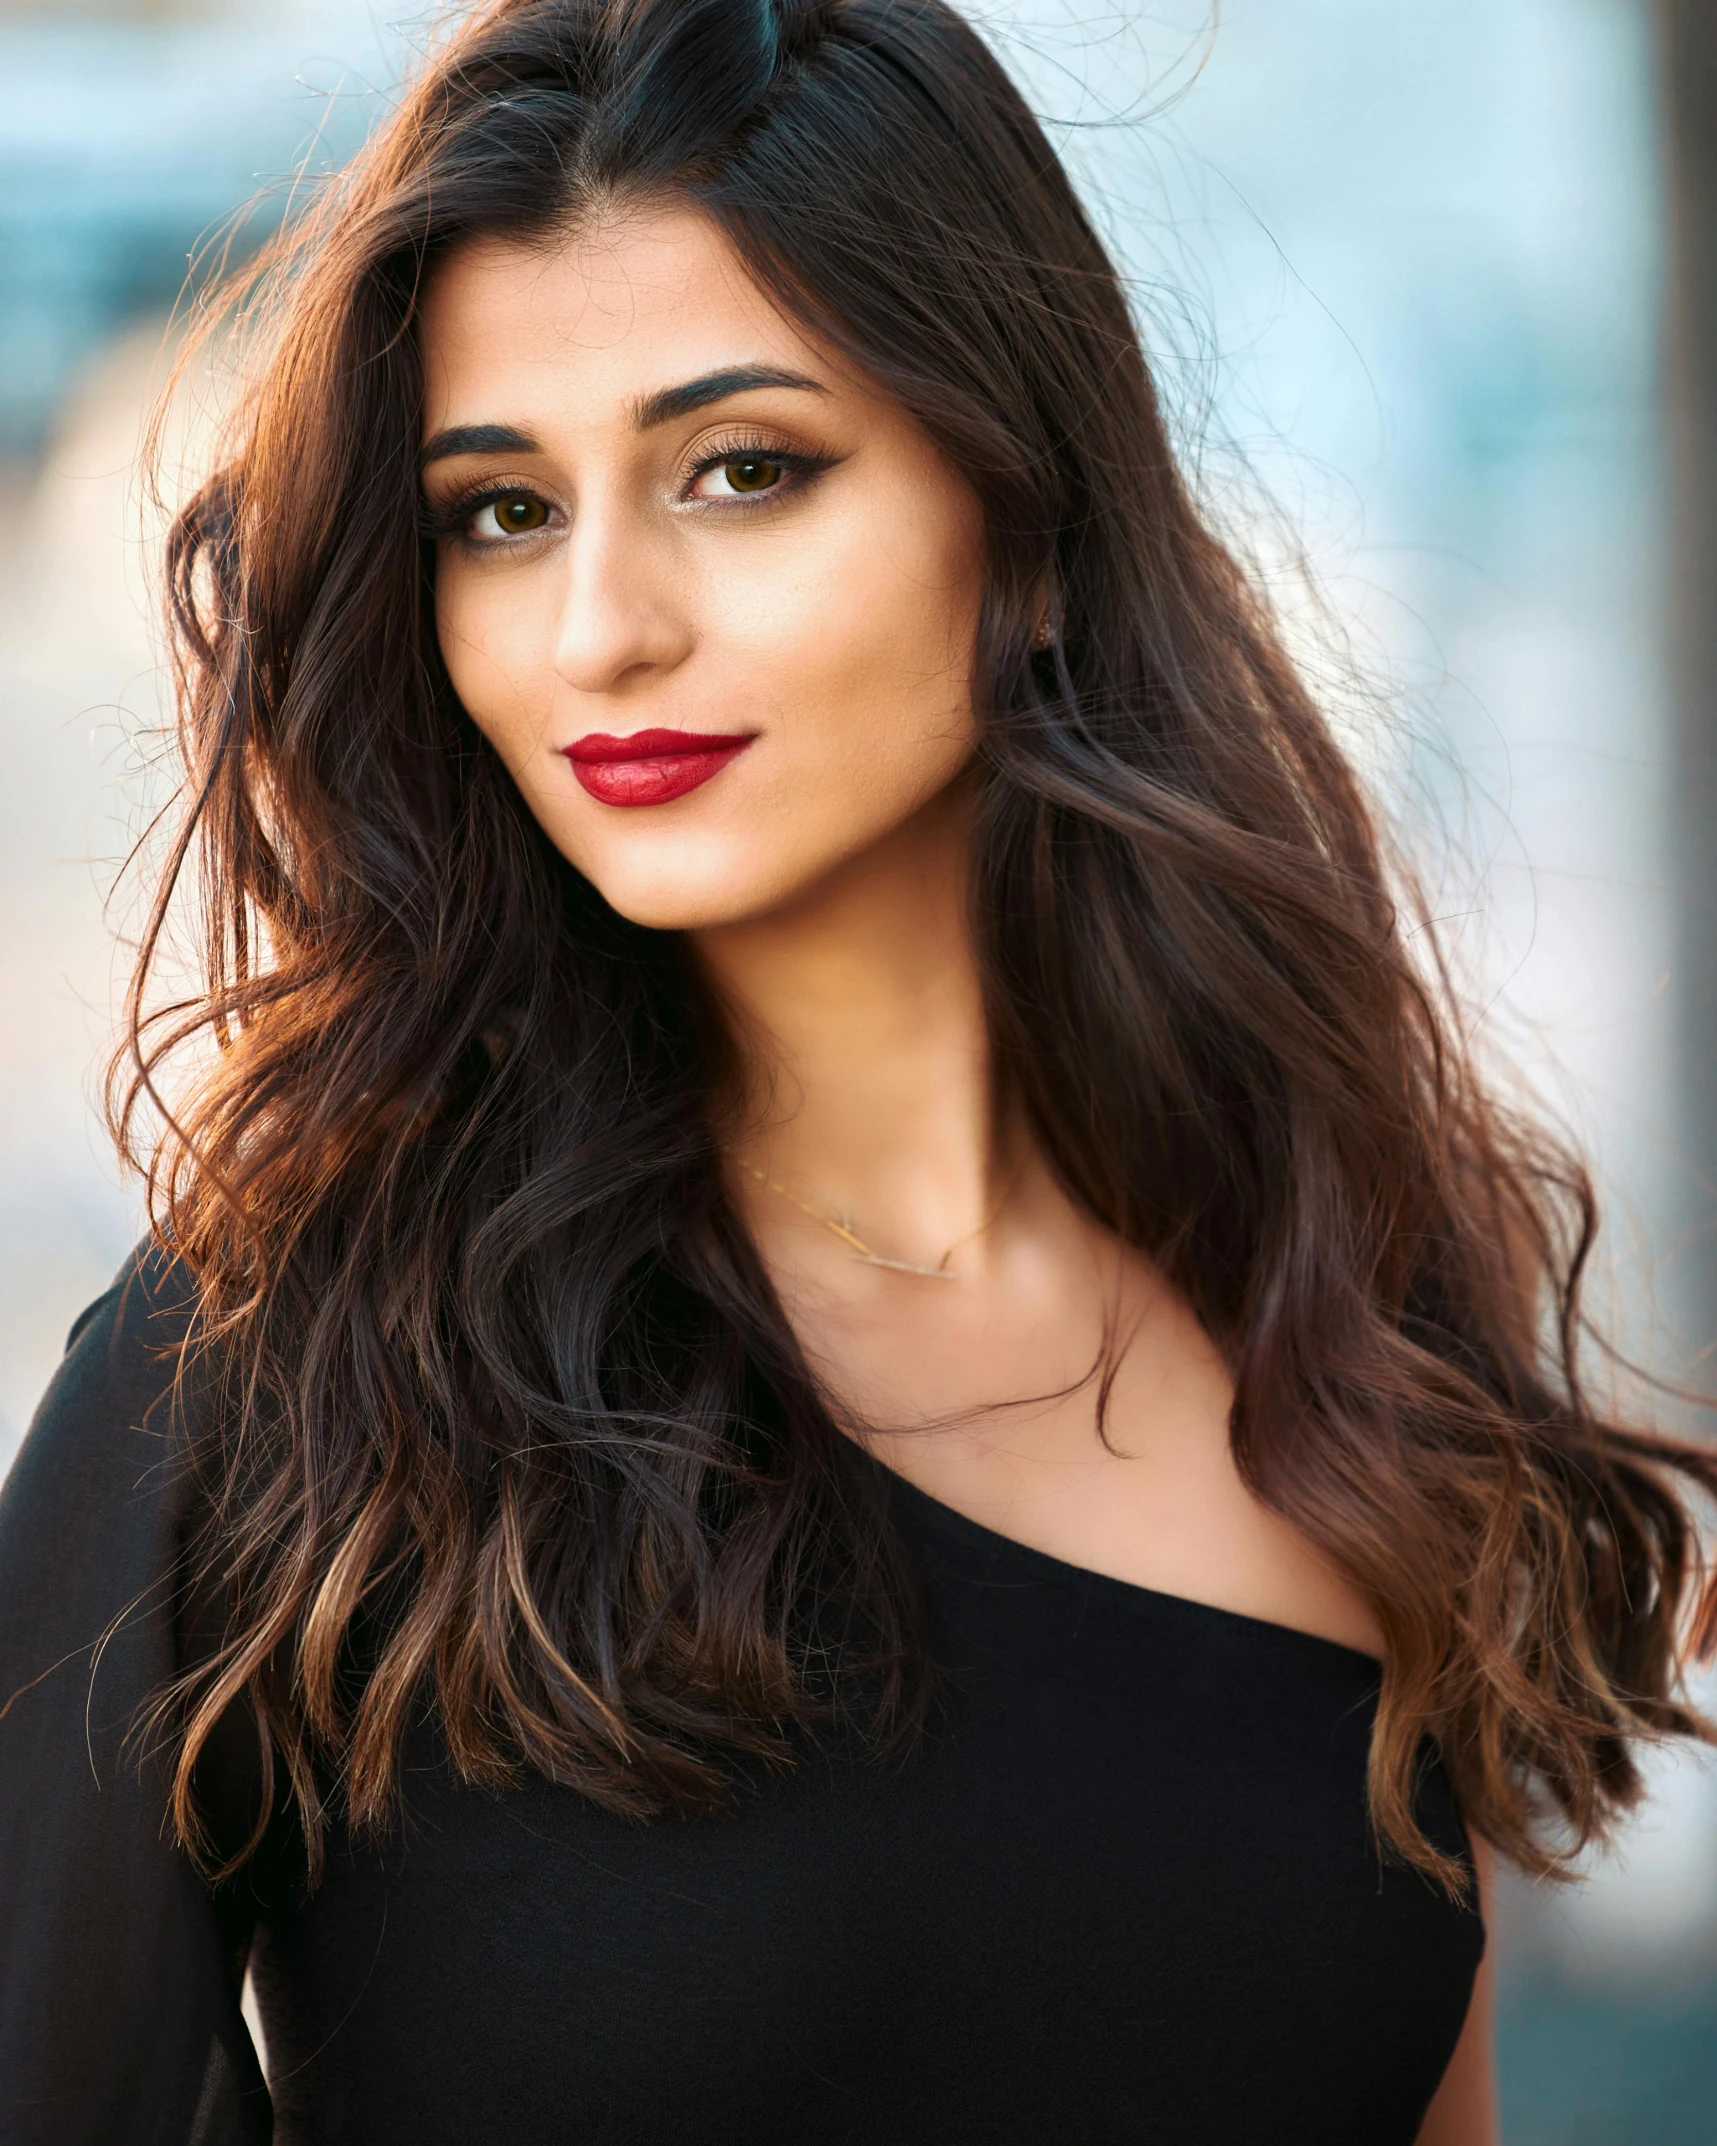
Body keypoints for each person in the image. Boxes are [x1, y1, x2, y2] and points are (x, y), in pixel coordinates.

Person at [3, 1, 1713, 2139]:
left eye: (743, 469)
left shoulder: (1352, 1358)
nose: (599, 624)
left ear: (1027, 511)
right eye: (502, 511)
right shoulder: (276, 1379)